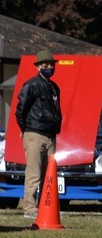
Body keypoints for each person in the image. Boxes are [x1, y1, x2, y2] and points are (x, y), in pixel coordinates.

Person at [13, 49, 61, 219]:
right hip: (35, 134)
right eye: (45, 65)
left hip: (50, 136)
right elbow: (20, 111)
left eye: (51, 64)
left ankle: (46, 207)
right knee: (34, 174)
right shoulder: (31, 85)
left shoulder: (54, 87)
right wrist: (25, 130)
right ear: (38, 67)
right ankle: (30, 208)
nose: (49, 67)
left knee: (48, 176)